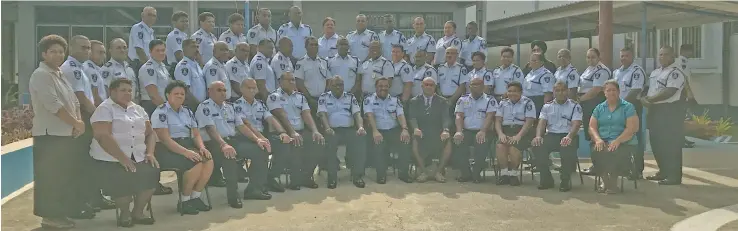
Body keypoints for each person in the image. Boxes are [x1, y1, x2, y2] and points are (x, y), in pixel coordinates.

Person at [89, 78, 159, 227]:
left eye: (129, 90)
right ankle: (125, 213)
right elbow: (102, 136)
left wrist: (150, 153)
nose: (127, 93)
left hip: (138, 156)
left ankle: (138, 212)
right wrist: (123, 159)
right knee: (122, 177)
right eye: (123, 90)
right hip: (111, 159)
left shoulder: (138, 109)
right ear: (112, 92)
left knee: (151, 172)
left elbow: (150, 134)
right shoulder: (104, 109)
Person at [195, 81, 272, 208]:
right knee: (229, 156)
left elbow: (241, 126)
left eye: (224, 90)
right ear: (209, 92)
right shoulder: (204, 107)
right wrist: (223, 144)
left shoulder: (230, 106)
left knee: (261, 149)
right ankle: (233, 196)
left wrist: (257, 139)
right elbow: (210, 129)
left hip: (233, 141)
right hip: (214, 144)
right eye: (219, 90)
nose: (223, 93)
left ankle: (254, 189)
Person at [30, 34, 80, 229]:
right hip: (49, 135)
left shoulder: (59, 74)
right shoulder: (40, 75)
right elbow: (53, 105)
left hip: (65, 133)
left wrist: (78, 122)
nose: (58, 55)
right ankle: (49, 217)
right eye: (53, 51)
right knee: (49, 178)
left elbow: (73, 101)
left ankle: (59, 214)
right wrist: (76, 122)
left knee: (62, 177)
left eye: (61, 51)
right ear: (44, 54)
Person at [151, 80, 214, 215]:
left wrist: (202, 147)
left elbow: (195, 134)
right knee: (195, 163)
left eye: (182, 94)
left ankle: (195, 197)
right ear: (168, 95)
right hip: (167, 148)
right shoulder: (161, 112)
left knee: (208, 161)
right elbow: (164, 139)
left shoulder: (187, 112)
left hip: (187, 145)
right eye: (176, 93)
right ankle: (184, 201)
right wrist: (186, 152)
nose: (180, 96)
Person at [60, 35, 98, 219]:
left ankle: (85, 201)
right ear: (72, 48)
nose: (87, 51)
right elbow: (81, 98)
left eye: (89, 47)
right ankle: (76, 205)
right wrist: (99, 116)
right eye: (83, 47)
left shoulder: (81, 68)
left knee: (85, 164)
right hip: (80, 118)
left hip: (84, 117)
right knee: (78, 165)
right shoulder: (71, 68)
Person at [267, 72, 325, 190]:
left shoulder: (300, 97)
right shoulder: (274, 97)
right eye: (289, 80)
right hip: (282, 132)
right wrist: (292, 132)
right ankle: (286, 178)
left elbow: (306, 114)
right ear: (280, 82)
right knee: (294, 144)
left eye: (293, 80)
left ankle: (306, 176)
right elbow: (281, 116)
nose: (292, 82)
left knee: (318, 142)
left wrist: (315, 130)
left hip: (300, 131)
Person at [233, 79, 292, 193]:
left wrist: (282, 132)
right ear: (241, 89)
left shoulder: (260, 104)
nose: (251, 90)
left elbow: (271, 119)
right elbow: (246, 125)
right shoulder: (236, 105)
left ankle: (269, 177)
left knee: (284, 145)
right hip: (245, 138)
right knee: (261, 150)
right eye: (248, 87)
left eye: (254, 88)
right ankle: (255, 187)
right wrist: (260, 138)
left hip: (261, 136)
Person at [642, 46, 687, 186]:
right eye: (660, 54)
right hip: (655, 110)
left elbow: (670, 91)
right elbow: (648, 88)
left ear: (672, 56)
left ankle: (674, 176)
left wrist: (650, 100)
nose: (662, 57)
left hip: (670, 111)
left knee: (671, 144)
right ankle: (663, 171)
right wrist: (644, 98)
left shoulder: (676, 73)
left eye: (665, 54)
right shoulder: (656, 72)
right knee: (657, 142)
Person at [531, 81, 582, 192]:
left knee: (566, 148)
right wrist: (538, 136)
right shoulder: (547, 106)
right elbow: (542, 123)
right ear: (553, 92)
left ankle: (565, 180)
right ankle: (546, 179)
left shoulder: (575, 105)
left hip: (569, 135)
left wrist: (569, 136)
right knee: (537, 146)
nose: (560, 93)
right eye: (557, 90)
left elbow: (576, 123)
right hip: (552, 135)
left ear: (568, 91)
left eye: (563, 90)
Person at [590, 80, 639, 193]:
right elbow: (592, 127)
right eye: (608, 90)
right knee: (596, 151)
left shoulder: (628, 107)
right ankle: (606, 182)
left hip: (624, 141)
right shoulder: (599, 108)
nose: (611, 93)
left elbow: (631, 128)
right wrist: (598, 139)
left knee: (614, 152)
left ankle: (612, 182)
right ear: (604, 93)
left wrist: (618, 141)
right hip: (603, 140)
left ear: (618, 92)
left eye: (614, 90)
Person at [318, 77, 367, 188]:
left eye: (340, 84)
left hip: (348, 129)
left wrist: (360, 127)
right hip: (332, 130)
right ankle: (332, 177)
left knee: (360, 140)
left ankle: (357, 175)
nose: (338, 87)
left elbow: (357, 114)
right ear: (330, 86)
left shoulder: (350, 97)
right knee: (330, 144)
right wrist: (326, 128)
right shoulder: (324, 97)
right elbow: (322, 114)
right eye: (335, 85)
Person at [364, 77, 413, 183]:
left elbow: (400, 115)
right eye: (381, 86)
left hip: (393, 130)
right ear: (376, 87)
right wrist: (375, 131)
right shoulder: (369, 100)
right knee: (379, 145)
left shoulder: (395, 100)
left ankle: (403, 173)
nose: (384, 88)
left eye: (386, 86)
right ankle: (381, 175)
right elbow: (370, 115)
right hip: (378, 130)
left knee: (405, 142)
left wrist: (404, 129)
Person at [453, 77, 497, 183]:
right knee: (458, 143)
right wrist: (459, 131)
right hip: (467, 131)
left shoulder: (490, 100)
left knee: (482, 145)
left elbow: (490, 117)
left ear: (483, 87)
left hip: (483, 131)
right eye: (472, 85)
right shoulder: (462, 99)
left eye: (477, 85)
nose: (474, 87)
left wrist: (483, 131)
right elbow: (459, 116)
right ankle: (466, 173)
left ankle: (477, 173)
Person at [408, 77, 451, 183]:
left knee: (448, 142)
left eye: (431, 85)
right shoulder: (414, 101)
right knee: (414, 142)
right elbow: (412, 117)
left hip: (437, 132)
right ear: (422, 86)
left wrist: (445, 129)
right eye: (426, 85)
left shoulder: (443, 101)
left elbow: (446, 117)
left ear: (435, 87)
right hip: (421, 132)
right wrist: (415, 128)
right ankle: (424, 172)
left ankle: (438, 172)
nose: (429, 87)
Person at [612, 47, 646, 180]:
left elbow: (635, 91)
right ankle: (624, 168)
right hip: (618, 109)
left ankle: (637, 170)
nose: (623, 58)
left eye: (626, 56)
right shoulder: (616, 72)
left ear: (632, 57)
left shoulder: (637, 71)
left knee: (634, 139)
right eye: (621, 56)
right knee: (621, 138)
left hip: (632, 108)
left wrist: (621, 105)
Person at [495, 81, 536, 186]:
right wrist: (500, 134)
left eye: (515, 91)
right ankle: (504, 174)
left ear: (521, 92)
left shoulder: (528, 102)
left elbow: (529, 122)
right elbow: (498, 121)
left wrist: (519, 136)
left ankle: (513, 174)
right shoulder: (502, 103)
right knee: (500, 146)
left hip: (522, 131)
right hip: (506, 130)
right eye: (509, 91)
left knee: (513, 148)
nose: (512, 93)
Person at [295, 36, 330, 112]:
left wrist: (325, 96)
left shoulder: (324, 62)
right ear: (306, 47)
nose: (314, 46)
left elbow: (328, 80)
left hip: (323, 100)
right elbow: (299, 83)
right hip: (308, 101)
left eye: (316, 45)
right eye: (311, 45)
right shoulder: (301, 63)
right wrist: (309, 99)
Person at [102, 38, 139, 103]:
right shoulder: (107, 69)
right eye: (118, 48)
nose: (122, 50)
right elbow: (106, 91)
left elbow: (135, 90)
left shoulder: (129, 68)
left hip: (132, 107)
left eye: (124, 48)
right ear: (110, 50)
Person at [138, 39, 170, 116]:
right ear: (150, 52)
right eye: (157, 50)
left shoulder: (162, 66)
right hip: (152, 105)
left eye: (163, 50)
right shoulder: (148, 68)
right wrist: (166, 110)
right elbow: (153, 95)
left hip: (163, 104)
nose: (161, 53)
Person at [174, 39, 206, 109]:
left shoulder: (196, 65)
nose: (197, 50)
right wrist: (198, 106)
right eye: (193, 47)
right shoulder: (183, 66)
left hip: (200, 106)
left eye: (197, 47)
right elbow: (185, 90)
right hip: (191, 106)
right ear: (184, 49)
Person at [523, 52, 554, 118]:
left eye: (535, 60)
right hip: (526, 102)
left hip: (538, 103)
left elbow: (548, 95)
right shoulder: (530, 73)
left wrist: (545, 111)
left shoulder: (545, 75)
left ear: (542, 62)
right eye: (531, 60)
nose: (531, 62)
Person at [678, 44, 696, 148]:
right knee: (680, 119)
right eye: (691, 51)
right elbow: (683, 78)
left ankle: (682, 138)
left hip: (683, 94)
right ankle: (680, 140)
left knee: (682, 118)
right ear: (685, 51)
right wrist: (689, 93)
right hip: (682, 94)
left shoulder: (684, 61)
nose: (692, 54)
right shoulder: (682, 62)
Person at [84, 40, 107, 105]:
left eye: (104, 53)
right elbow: (95, 96)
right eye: (100, 52)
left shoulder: (96, 68)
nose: (103, 56)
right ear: (90, 52)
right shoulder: (89, 69)